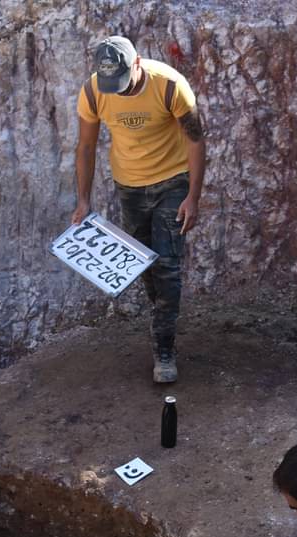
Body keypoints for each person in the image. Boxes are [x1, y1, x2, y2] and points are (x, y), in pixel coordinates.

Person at [71, 35, 206, 384]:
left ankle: (164, 349)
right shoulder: (93, 91)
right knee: (145, 262)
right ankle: (162, 315)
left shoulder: (170, 86)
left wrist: (193, 195)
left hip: (172, 182)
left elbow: (195, 138)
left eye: (122, 80)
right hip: (129, 186)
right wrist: (83, 200)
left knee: (168, 267)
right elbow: (86, 146)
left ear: (137, 63)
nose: (117, 90)